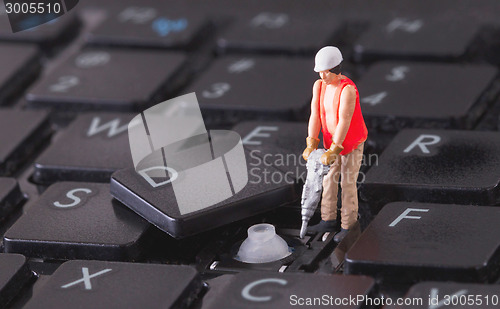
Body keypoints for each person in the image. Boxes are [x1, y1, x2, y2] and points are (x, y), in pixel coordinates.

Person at [302, 46, 368, 242]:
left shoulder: (347, 90)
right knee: (328, 180)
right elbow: (315, 115)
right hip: (329, 144)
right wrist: (311, 142)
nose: (323, 75)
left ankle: (349, 225)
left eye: (327, 71)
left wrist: (335, 149)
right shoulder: (319, 86)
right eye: (320, 71)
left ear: (337, 68)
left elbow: (344, 121)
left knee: (347, 183)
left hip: (350, 144)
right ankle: (327, 219)